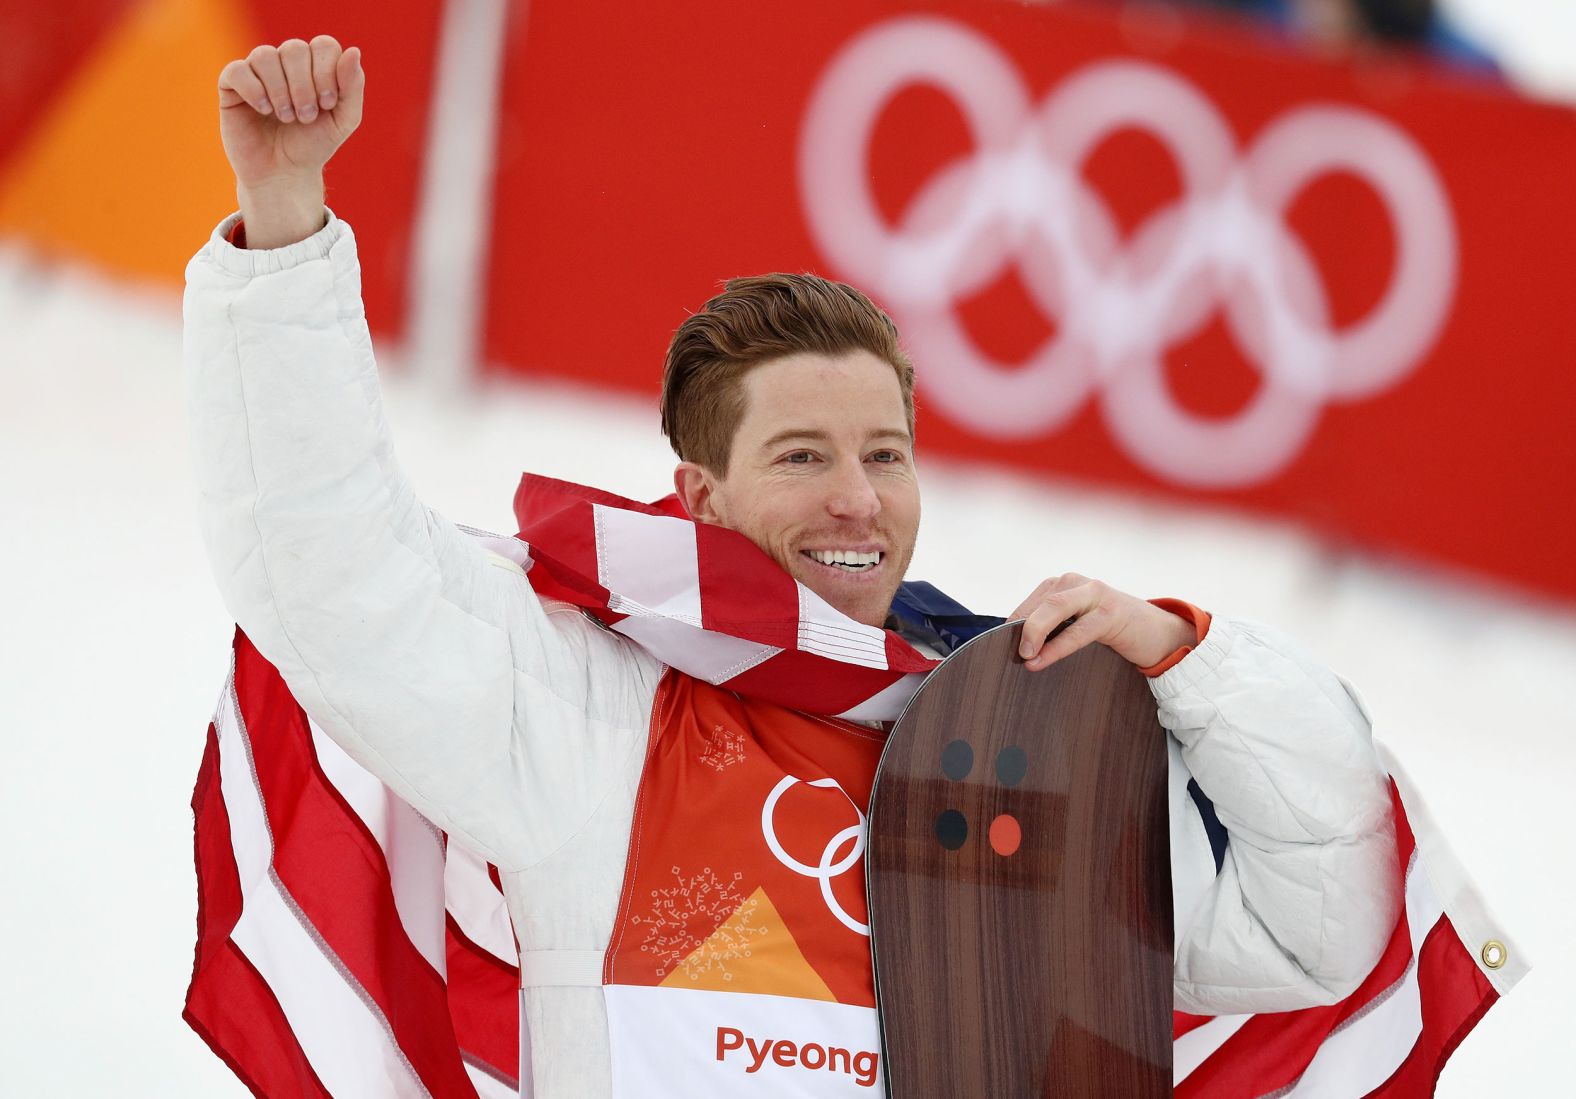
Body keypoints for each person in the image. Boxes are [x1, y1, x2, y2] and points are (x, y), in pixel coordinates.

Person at [189, 36, 1399, 1098]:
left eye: (885, 452)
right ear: (700, 495)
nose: (856, 498)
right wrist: (286, 214)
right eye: (802, 455)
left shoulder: (1024, 741)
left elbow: (1319, 928)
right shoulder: (590, 710)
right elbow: (332, 571)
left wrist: (1189, 660)